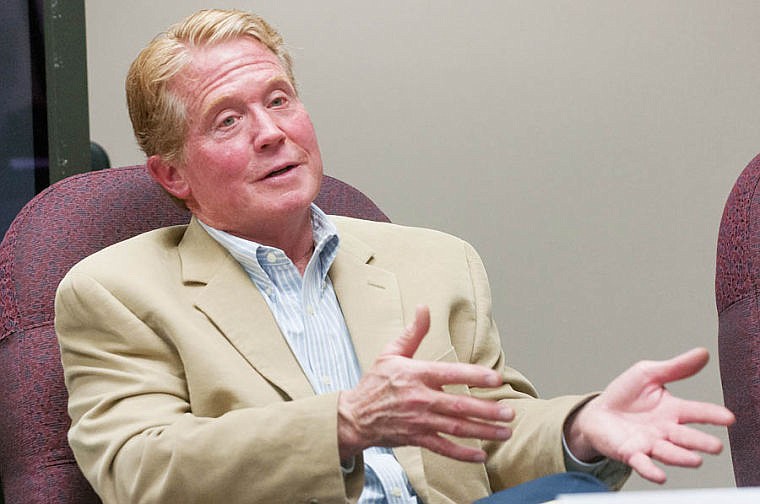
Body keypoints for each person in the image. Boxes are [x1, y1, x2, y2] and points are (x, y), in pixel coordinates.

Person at [54, 8, 734, 504]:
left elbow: (491, 440)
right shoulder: (115, 291)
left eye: (280, 100)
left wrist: (580, 428)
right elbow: (140, 469)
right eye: (228, 120)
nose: (271, 133)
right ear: (172, 175)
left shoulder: (436, 262)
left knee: (577, 496)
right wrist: (347, 423)